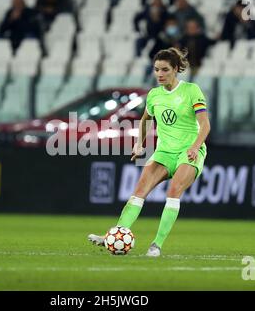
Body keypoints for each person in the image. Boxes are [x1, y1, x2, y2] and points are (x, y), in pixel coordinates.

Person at [88, 47, 210, 257]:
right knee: (139, 192)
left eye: (165, 69)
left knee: (173, 193)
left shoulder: (191, 90)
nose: (160, 74)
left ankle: (156, 245)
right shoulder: (154, 95)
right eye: (156, 70)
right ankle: (116, 235)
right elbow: (145, 120)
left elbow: (205, 125)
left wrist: (195, 146)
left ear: (176, 69)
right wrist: (139, 143)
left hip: (189, 151)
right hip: (164, 151)